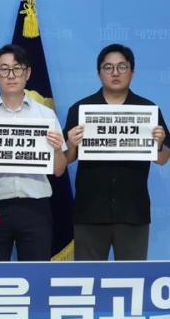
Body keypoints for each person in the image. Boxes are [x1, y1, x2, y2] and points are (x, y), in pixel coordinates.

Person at [64, 43, 170, 260]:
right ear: (99, 73)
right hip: (90, 212)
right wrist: (71, 143)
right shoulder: (80, 109)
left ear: (132, 72)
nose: (115, 72)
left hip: (133, 212)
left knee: (133, 276)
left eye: (122, 67)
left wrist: (159, 143)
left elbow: (162, 159)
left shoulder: (148, 110)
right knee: (88, 276)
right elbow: (66, 159)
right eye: (108, 67)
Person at [0, 44, 67, 261]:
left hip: (35, 207)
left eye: (17, 68)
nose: (11, 75)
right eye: (4, 69)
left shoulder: (46, 116)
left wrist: (58, 149)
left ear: (28, 73)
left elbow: (59, 171)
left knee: (36, 273)